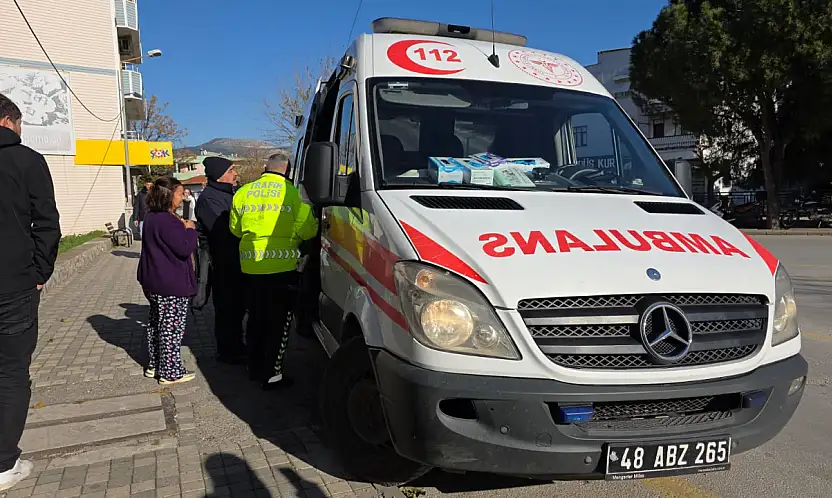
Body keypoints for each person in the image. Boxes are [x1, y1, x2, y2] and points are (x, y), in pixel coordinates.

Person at [0, 93, 61, 491]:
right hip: (14, 285)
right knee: (10, 373)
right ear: (10, 120)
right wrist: (40, 272)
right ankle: (4, 464)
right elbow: (46, 222)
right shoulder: (26, 160)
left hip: (16, 283)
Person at [230, 152, 318, 390]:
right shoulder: (294, 194)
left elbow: (235, 229)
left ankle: (254, 367)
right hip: (282, 268)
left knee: (256, 318)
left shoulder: (243, 192)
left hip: (250, 266)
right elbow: (309, 231)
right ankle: (272, 374)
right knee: (278, 323)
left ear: (264, 169)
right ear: (286, 171)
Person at [137, 176, 198, 385]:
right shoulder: (167, 220)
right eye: (180, 193)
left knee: (156, 324)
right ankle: (170, 371)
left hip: (154, 281)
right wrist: (190, 230)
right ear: (169, 195)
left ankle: (156, 364)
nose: (183, 198)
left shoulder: (152, 217)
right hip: (170, 283)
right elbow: (184, 248)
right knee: (171, 328)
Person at [195, 157, 246, 364]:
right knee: (227, 308)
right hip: (224, 264)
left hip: (236, 262)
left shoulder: (227, 194)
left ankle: (236, 346)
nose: (235, 174)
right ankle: (228, 352)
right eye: (232, 170)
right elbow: (223, 232)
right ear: (220, 174)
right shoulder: (210, 199)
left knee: (236, 308)